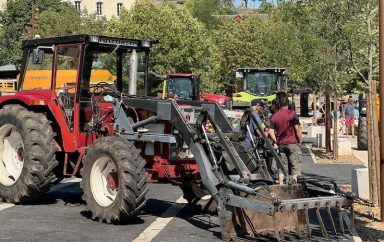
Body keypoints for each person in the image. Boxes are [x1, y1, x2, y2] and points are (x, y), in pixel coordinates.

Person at [269, 92, 302, 184]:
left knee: (282, 166)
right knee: (295, 165)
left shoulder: (274, 116)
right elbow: (297, 128)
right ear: (288, 104)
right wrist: (300, 140)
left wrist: (277, 141)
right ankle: (295, 185)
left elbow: (270, 132)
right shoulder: (293, 114)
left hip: (281, 144)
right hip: (292, 143)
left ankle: (281, 184)